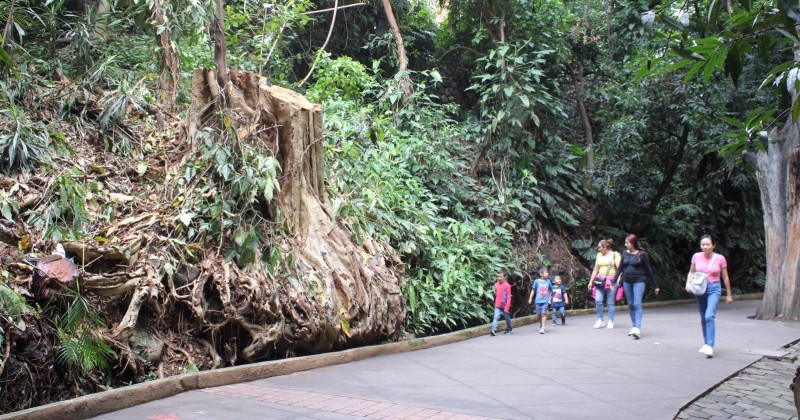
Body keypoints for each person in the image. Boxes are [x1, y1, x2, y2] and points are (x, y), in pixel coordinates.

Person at [688, 234, 733, 358]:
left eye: (708, 244)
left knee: (709, 315)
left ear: (713, 245)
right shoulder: (696, 256)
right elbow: (692, 271)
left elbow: (725, 276)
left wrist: (729, 294)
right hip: (700, 288)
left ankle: (710, 345)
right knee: (703, 317)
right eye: (703, 244)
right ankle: (706, 342)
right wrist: (688, 283)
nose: (705, 247)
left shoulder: (720, 258)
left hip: (714, 288)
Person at [612, 234, 659, 339]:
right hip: (627, 282)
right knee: (631, 304)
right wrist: (613, 281)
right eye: (625, 242)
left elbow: (649, 270)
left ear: (633, 243)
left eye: (627, 243)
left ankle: (637, 328)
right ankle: (634, 326)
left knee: (637, 304)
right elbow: (620, 269)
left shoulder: (642, 255)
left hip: (638, 281)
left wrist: (655, 285)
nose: (625, 244)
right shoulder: (624, 253)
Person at [588, 239, 621, 329]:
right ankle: (600, 320)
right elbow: (595, 269)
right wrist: (591, 281)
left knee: (610, 302)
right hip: (600, 280)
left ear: (605, 247)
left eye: (599, 247)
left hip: (611, 280)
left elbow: (619, 269)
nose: (598, 249)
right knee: (598, 300)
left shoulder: (615, 255)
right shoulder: (599, 255)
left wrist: (618, 280)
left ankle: (610, 320)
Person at [528, 267, 553, 334]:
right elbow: (533, 290)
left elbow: (551, 290)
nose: (547, 274)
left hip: (545, 301)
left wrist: (549, 298)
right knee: (539, 314)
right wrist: (530, 298)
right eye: (546, 272)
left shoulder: (548, 281)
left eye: (547, 272)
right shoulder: (536, 281)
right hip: (538, 301)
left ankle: (543, 327)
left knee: (544, 314)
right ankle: (541, 324)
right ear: (541, 274)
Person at [491, 269, 513, 336]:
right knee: (496, 316)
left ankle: (509, 328)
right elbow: (495, 294)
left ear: (505, 277)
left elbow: (509, 297)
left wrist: (507, 306)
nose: (499, 278)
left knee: (507, 318)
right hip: (497, 305)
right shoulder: (496, 285)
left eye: (500, 277)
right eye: (498, 276)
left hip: (505, 306)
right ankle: (493, 329)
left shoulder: (507, 286)